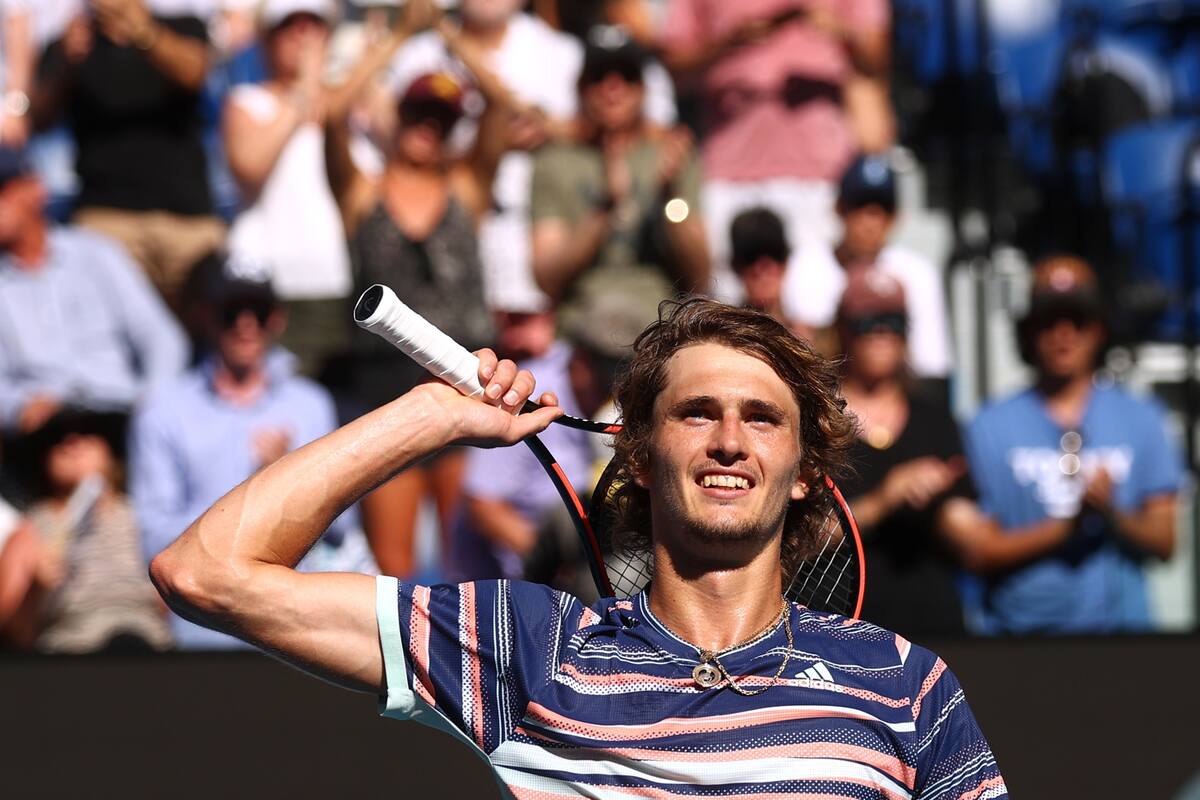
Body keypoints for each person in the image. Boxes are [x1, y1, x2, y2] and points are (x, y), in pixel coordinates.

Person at [150, 298, 1007, 798]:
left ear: (802, 475)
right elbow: (204, 571)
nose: (729, 441)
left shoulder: (906, 684)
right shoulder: (527, 645)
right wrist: (435, 417)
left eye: (763, 418)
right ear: (636, 454)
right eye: (696, 412)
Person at [327, 0, 509, 579]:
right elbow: (332, 116)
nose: (428, 128)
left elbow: (502, 104)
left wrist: (449, 38)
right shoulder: (364, 194)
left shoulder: (467, 188)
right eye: (417, 115)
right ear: (396, 116)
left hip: (464, 379)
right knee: (394, 565)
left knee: (464, 563)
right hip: (384, 385)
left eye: (442, 118)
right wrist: (398, 37)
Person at [129, 253, 374, 649]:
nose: (245, 324)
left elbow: (344, 526)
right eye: (231, 311)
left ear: (276, 319)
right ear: (208, 316)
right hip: (207, 627)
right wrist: (262, 489)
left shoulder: (310, 404)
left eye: (257, 311)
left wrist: (288, 481)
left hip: (298, 622)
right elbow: (153, 536)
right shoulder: (163, 409)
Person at [964, 255, 1182, 634]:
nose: (1063, 334)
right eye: (1049, 321)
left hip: (1122, 636)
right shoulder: (988, 425)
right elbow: (978, 549)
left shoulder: (1142, 417)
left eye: (1077, 320)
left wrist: (1111, 513)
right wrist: (1069, 528)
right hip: (1019, 637)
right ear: (1029, 330)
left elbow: (1165, 541)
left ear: (1098, 329)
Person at [658, 0, 892, 300]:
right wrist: (730, 42)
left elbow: (877, 59)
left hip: (821, 178)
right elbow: (673, 64)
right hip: (729, 176)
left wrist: (838, 30)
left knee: (815, 304)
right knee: (727, 310)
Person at [32, 0, 225, 307]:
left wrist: (143, 32)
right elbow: (39, 121)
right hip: (106, 219)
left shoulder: (182, 26)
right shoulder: (67, 42)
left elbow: (196, 74)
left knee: (211, 328)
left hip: (186, 219)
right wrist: (67, 64)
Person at [531, 25, 710, 334]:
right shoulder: (554, 161)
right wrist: (604, 209)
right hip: (581, 328)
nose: (612, 88)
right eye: (599, 77)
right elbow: (547, 279)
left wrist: (670, 198)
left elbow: (700, 274)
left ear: (642, 88)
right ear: (581, 87)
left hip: (659, 326)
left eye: (626, 76)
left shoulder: (671, 153)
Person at [0, 145, 188, 434]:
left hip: (121, 411)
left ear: (35, 189)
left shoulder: (95, 252)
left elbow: (160, 337)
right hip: (46, 431)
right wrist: (18, 407)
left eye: (3, 191)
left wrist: (150, 405)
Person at [834, 270, 975, 637]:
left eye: (893, 322)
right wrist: (886, 499)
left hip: (932, 627)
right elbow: (805, 539)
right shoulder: (820, 424)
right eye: (867, 322)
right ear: (843, 330)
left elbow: (968, 531)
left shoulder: (935, 419)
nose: (881, 334)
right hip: (847, 627)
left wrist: (946, 505)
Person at [223, 0, 352, 380]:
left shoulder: (342, 104)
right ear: (267, 39)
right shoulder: (245, 101)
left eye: (315, 27)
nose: (303, 38)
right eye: (290, 26)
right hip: (263, 278)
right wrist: (305, 91)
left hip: (327, 279)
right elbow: (250, 167)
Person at [4, 409, 173, 652]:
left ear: (109, 450)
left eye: (87, 434)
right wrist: (36, 587)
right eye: (58, 439)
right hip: (71, 653)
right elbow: (16, 634)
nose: (72, 444)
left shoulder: (142, 518)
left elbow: (173, 602)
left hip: (147, 648)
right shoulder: (30, 530)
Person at [782, 153, 953, 390]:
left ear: (895, 217)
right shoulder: (808, 264)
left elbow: (931, 368)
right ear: (839, 209)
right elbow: (803, 359)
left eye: (881, 209)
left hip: (898, 398)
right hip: (826, 398)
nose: (870, 221)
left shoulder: (919, 273)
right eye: (859, 207)